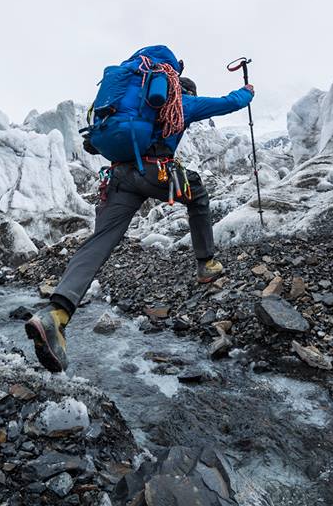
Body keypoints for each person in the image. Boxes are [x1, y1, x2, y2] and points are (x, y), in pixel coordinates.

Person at [24, 72, 255, 372]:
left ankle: (56, 315)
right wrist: (247, 91)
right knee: (197, 196)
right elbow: (228, 102)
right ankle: (206, 264)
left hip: (119, 177)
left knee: (101, 240)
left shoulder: (132, 105)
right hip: (154, 172)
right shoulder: (182, 102)